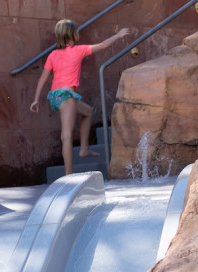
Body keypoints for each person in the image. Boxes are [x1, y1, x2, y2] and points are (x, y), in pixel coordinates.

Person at [30, 20, 131, 175]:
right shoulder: (78, 50)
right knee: (67, 136)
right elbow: (103, 45)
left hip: (56, 97)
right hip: (67, 96)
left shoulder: (53, 54)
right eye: (77, 31)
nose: (79, 33)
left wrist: (36, 99)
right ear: (72, 34)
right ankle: (68, 176)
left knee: (88, 111)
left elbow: (43, 78)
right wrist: (118, 35)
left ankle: (84, 149)